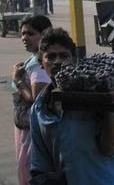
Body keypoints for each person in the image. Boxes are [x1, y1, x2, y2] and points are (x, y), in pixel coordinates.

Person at [30, 28, 114, 185]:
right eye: (51, 57)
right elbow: (40, 163)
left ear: (74, 60)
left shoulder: (96, 94)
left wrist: (105, 107)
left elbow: (109, 148)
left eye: (64, 56)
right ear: (42, 64)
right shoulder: (39, 108)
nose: (58, 62)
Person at [11, 15, 52, 185]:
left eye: (30, 34)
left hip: (31, 132)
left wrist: (18, 80)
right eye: (22, 34)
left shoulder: (38, 63)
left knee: (29, 171)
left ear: (45, 34)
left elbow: (37, 100)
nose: (24, 38)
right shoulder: (35, 59)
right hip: (27, 128)